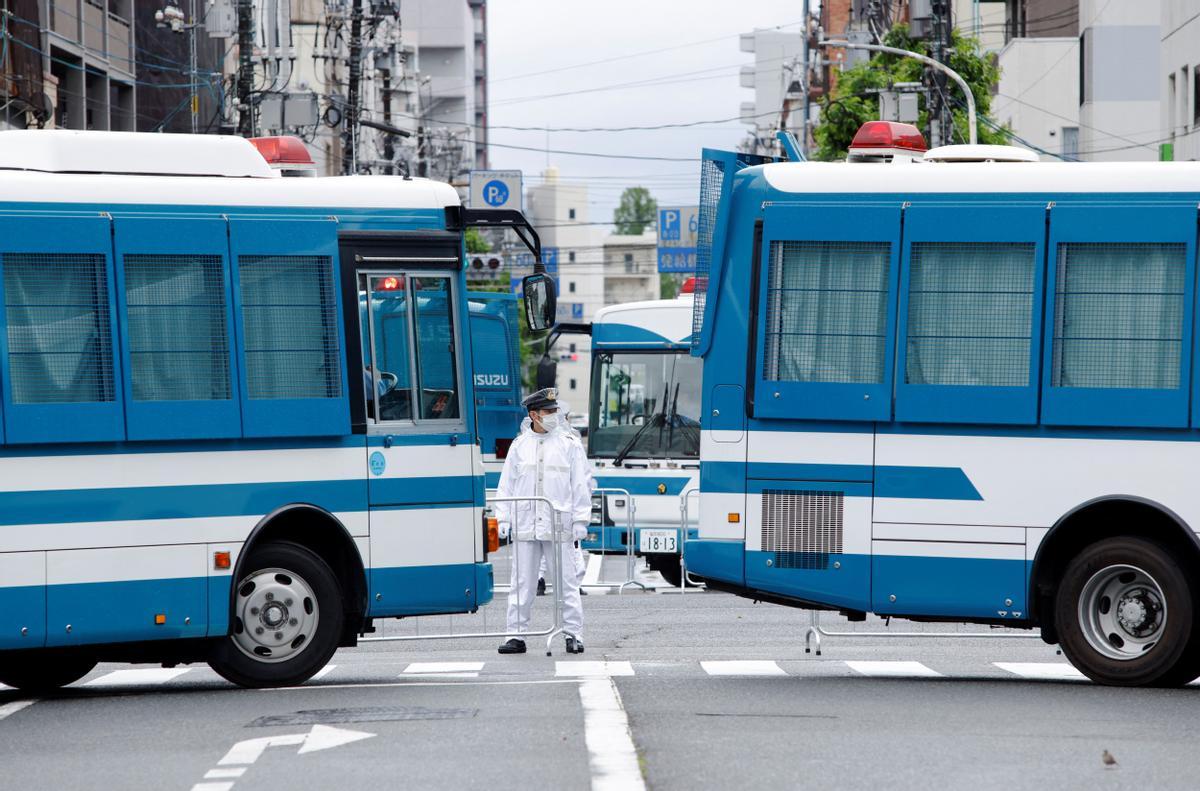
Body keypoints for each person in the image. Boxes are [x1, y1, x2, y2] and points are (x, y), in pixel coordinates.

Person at [495, 387, 593, 655]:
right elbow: (506, 486)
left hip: (559, 524)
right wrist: (503, 517)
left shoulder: (568, 444)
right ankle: (515, 635)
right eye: (548, 412)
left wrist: (581, 520)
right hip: (526, 523)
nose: (553, 416)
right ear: (534, 415)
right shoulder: (520, 446)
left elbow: (580, 485)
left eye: (554, 411)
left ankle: (573, 634)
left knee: (566, 583)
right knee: (521, 583)